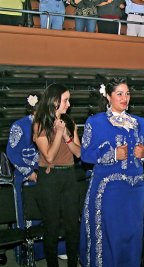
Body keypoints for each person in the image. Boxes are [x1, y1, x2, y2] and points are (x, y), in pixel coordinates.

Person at [80, 78, 144, 267]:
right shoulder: (95, 122)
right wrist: (113, 154)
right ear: (108, 96)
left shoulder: (140, 123)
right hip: (109, 190)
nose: (125, 98)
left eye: (127, 93)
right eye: (119, 93)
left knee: (132, 234)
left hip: (135, 190)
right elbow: (86, 154)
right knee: (110, 235)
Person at [33, 84, 81, 267]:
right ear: (54, 102)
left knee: (72, 228)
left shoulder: (69, 122)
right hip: (50, 178)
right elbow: (49, 156)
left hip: (69, 176)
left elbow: (78, 153)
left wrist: (67, 136)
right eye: (65, 100)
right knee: (51, 229)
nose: (68, 104)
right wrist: (58, 132)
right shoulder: (40, 124)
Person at [5, 94, 39, 266]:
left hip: (44, 173)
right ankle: (25, 254)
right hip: (25, 174)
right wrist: (28, 172)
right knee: (26, 215)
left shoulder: (48, 124)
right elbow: (12, 152)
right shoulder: (19, 126)